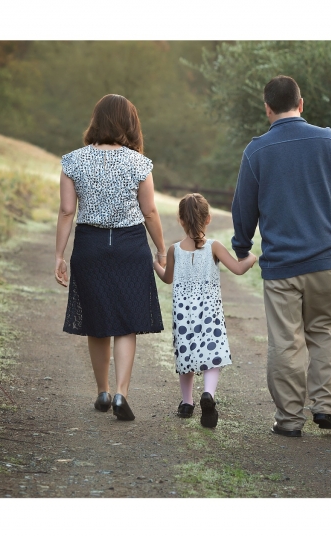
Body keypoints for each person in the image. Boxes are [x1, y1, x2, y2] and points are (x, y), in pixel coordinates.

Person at [230, 75, 331, 438]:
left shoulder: (256, 151)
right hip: (325, 264)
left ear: (267, 108)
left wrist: (242, 246)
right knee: (324, 332)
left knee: (286, 342)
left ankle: (290, 420)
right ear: (301, 104)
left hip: (281, 268)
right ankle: (324, 407)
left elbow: (243, 207)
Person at [54, 94, 167, 422]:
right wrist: (161, 249)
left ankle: (102, 391)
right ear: (129, 123)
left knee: (97, 321)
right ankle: (121, 393)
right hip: (130, 247)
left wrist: (59, 255)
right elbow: (149, 211)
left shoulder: (72, 161)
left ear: (96, 120)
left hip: (90, 247)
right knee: (126, 322)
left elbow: (66, 211)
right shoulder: (138, 163)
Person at [153, 193, 256, 428]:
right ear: (208, 219)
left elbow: (167, 279)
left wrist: (156, 266)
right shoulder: (214, 247)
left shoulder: (174, 250)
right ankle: (208, 394)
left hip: (183, 314)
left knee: (186, 355)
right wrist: (252, 258)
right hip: (209, 313)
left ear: (180, 220)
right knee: (212, 355)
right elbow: (239, 269)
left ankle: (187, 403)